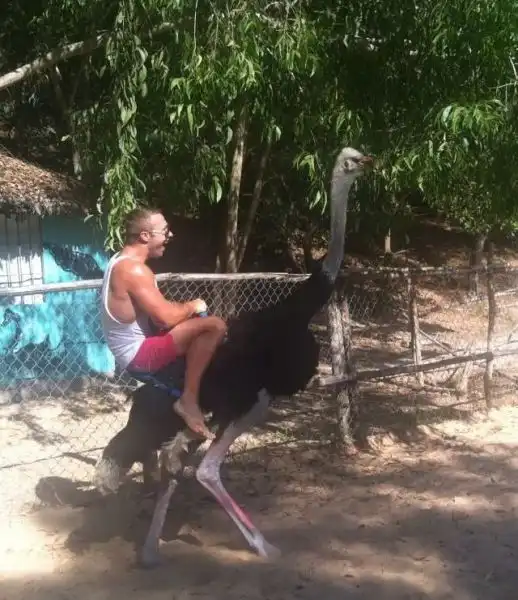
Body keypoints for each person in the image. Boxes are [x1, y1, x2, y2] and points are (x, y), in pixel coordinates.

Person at [100, 207, 227, 440]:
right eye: (165, 231)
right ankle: (188, 400)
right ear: (145, 236)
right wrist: (193, 305)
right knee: (215, 326)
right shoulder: (133, 269)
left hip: (135, 349)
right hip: (139, 355)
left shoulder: (120, 260)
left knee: (199, 328)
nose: (170, 236)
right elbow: (165, 317)